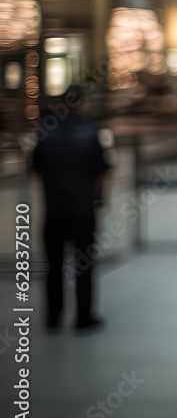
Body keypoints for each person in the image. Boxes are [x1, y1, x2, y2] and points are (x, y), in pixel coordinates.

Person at [31, 85, 111, 331]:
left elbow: (36, 167)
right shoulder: (91, 132)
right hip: (83, 210)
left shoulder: (46, 132)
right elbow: (102, 169)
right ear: (82, 104)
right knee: (84, 264)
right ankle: (83, 317)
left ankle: (54, 317)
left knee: (53, 265)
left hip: (54, 210)